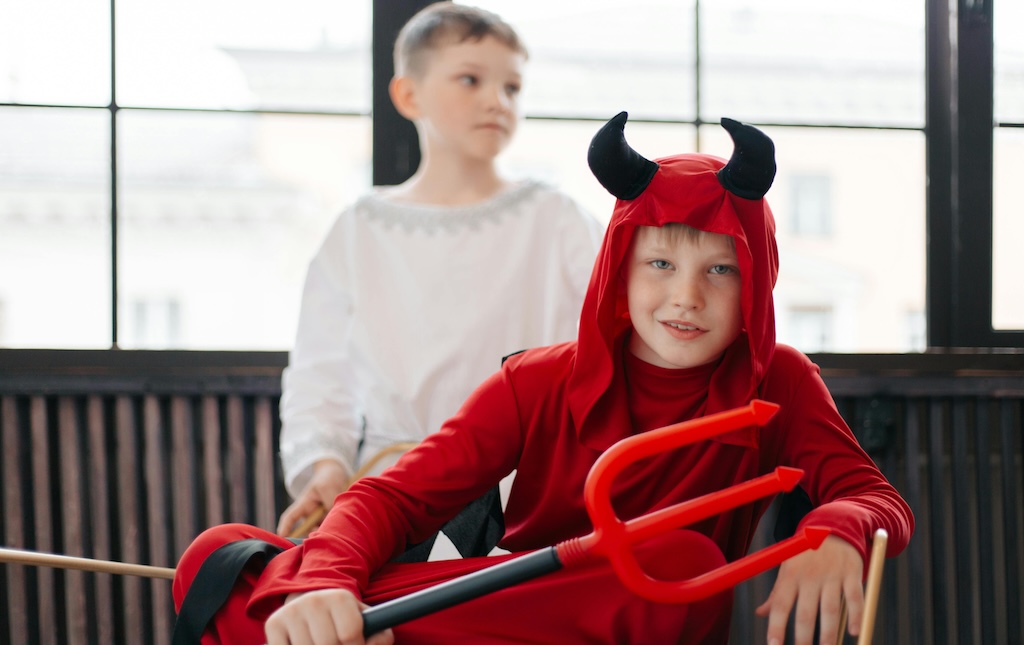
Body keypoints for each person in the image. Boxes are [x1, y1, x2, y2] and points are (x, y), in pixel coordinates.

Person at [173, 112, 914, 644]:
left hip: (647, 616)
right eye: (660, 264)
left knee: (674, 558)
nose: (686, 295)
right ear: (617, 273)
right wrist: (323, 582)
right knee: (220, 554)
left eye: (720, 269)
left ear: (756, 281)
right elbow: (393, 496)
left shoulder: (776, 379)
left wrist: (837, 530)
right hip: (504, 608)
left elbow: (874, 495)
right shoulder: (539, 380)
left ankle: (359, 629)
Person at [276, 2, 604, 537]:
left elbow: (608, 343)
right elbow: (320, 374)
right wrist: (326, 465)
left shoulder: (559, 218)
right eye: (470, 80)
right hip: (394, 485)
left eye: (512, 88)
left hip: (529, 489)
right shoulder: (360, 229)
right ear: (409, 95)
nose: (497, 102)